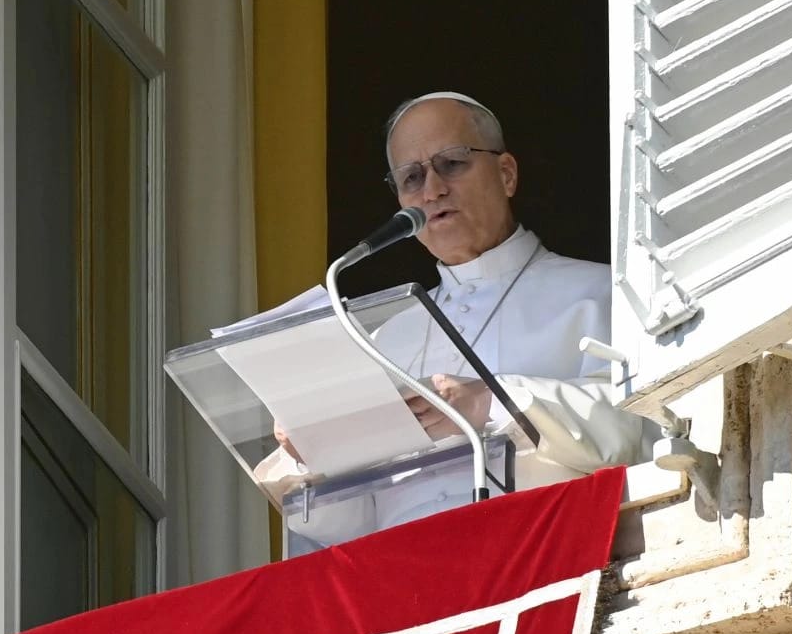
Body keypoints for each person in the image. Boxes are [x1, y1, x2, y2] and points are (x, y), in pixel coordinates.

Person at [266, 91, 658, 545]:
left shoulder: (604, 293)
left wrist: (489, 403)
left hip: (549, 553)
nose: (432, 190)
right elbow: (354, 524)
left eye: (451, 163)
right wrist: (311, 457)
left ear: (506, 174)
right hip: (404, 584)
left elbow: (642, 429)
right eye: (411, 178)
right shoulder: (384, 342)